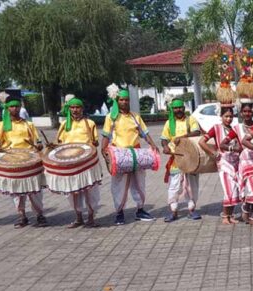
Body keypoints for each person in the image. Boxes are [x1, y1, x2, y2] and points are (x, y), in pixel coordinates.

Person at [101, 87, 159, 225]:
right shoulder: (111, 117)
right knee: (119, 185)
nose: (124, 102)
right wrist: (104, 151)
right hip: (119, 155)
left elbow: (144, 133)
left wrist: (153, 145)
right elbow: (106, 136)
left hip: (136, 154)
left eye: (126, 100)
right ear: (117, 101)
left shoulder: (135, 116)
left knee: (139, 183)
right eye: (121, 100)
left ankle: (140, 210)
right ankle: (119, 213)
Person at [0, 95, 47, 228]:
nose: (15, 109)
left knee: (35, 190)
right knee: (16, 191)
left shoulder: (28, 124)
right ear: (7, 108)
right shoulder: (1, 126)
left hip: (30, 160)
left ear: (20, 107)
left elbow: (38, 141)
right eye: (12, 106)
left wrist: (39, 146)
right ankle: (22, 216)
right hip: (12, 161)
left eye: (17, 106)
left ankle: (39, 215)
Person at [55, 95, 101, 228]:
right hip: (70, 163)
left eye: (77, 107)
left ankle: (91, 217)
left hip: (87, 162)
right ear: (69, 109)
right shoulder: (64, 124)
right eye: (72, 107)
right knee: (72, 191)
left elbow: (95, 142)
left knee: (90, 190)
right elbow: (58, 143)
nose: (75, 110)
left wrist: (94, 143)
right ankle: (78, 218)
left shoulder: (89, 123)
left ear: (82, 109)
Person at [161, 98, 202, 222]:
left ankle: (192, 210)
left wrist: (183, 137)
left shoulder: (191, 120)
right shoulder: (169, 123)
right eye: (175, 108)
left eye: (180, 107)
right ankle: (173, 211)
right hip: (176, 159)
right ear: (172, 109)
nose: (178, 110)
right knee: (174, 186)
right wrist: (165, 146)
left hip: (191, 158)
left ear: (184, 108)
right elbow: (164, 138)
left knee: (192, 185)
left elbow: (197, 132)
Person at [199, 106, 241, 224]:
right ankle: (225, 216)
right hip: (223, 162)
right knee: (228, 189)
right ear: (221, 116)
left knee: (235, 189)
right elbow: (201, 142)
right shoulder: (216, 128)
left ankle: (230, 215)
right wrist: (213, 153)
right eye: (226, 116)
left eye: (230, 117)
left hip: (235, 162)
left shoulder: (234, 129)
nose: (228, 119)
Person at [222, 102, 253, 224]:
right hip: (244, 163)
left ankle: (252, 215)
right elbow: (223, 144)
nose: (247, 114)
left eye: (249, 111)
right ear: (241, 113)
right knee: (248, 189)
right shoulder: (237, 129)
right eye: (245, 111)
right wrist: (234, 149)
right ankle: (246, 209)